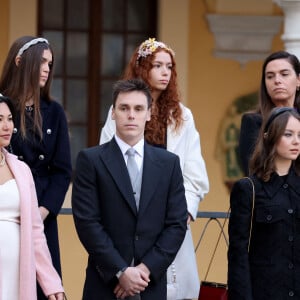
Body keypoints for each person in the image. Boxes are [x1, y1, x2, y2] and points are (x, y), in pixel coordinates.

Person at [100, 37, 209, 300]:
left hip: (170, 222)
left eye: (169, 67)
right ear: (142, 68)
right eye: (157, 65)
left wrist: (180, 216)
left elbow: (195, 175)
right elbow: (105, 167)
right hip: (127, 221)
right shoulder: (119, 111)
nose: (165, 72)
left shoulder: (183, 115)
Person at [72, 78, 188, 300]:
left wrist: (144, 271)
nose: (131, 115)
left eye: (138, 108)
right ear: (113, 113)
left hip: (150, 286)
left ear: (149, 113)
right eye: (124, 108)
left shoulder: (169, 163)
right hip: (105, 285)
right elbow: (87, 222)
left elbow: (176, 223)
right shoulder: (91, 160)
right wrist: (120, 271)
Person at [0, 36, 72, 299]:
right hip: (5, 211)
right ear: (20, 61)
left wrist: (40, 212)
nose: (46, 69)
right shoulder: (2, 108)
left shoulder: (54, 112)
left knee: (45, 289)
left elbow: (63, 170)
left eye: (50, 63)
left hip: (41, 217)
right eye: (42, 61)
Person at [228, 106, 300, 299]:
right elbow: (238, 256)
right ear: (270, 137)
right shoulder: (248, 189)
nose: (296, 141)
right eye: (288, 134)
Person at [0, 95, 65, 300]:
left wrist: (52, 283)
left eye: (10, 119)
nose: (7, 125)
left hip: (18, 271)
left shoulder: (21, 170)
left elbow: (36, 232)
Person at [239, 50, 300, 175]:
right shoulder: (254, 121)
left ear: (298, 80)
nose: (277, 80)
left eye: (284, 74)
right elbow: (252, 169)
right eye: (270, 76)